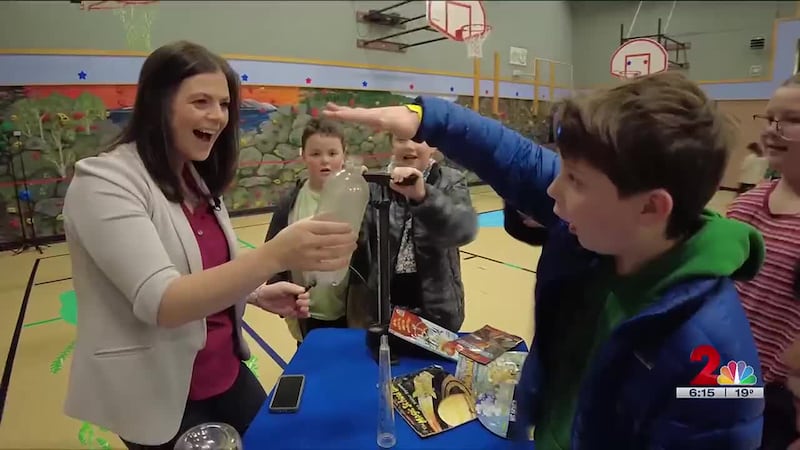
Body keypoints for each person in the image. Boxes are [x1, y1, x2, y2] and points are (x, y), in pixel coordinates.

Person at [322, 71, 766, 449]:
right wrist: (426, 118)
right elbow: (514, 157)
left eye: (573, 179)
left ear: (651, 208)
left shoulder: (716, 358)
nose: (552, 192)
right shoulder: (605, 228)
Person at [61, 41, 357, 449]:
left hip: (224, 369)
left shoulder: (194, 178)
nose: (217, 116)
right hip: (159, 390)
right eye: (201, 101)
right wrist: (275, 255)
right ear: (158, 104)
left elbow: (197, 267)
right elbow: (162, 300)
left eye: (223, 104)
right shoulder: (104, 182)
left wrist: (254, 293)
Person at [727, 74, 800, 450]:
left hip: (782, 400)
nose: (773, 131)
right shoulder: (746, 204)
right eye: (769, 118)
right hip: (726, 378)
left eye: (791, 120)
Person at [355, 136, 478, 332]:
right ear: (392, 143)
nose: (410, 146)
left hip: (436, 300)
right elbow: (357, 242)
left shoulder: (450, 181)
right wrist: (348, 190)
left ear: (433, 146)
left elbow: (463, 230)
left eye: (419, 139)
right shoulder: (376, 185)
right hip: (384, 301)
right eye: (402, 139)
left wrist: (423, 196)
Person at [264, 118, 369, 343]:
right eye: (315, 154)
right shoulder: (290, 203)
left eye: (332, 153)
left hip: (350, 312)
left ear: (344, 155)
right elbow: (271, 253)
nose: (325, 161)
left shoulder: (361, 197)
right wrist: (283, 296)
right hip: (306, 313)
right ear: (303, 155)